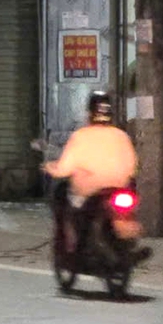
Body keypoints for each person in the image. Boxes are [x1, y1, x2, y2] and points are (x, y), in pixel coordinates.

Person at [43, 91, 138, 254]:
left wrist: (51, 168)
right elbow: (132, 166)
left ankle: (71, 248)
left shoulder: (81, 136)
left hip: (87, 193)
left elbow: (65, 168)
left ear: (89, 113)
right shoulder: (121, 136)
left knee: (66, 205)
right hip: (118, 191)